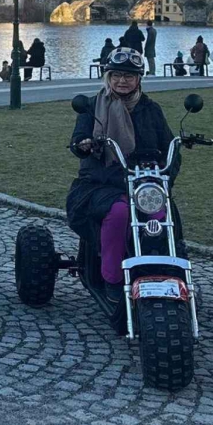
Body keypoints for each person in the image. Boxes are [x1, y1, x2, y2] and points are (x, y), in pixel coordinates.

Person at [66, 48, 178, 287]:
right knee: (119, 213)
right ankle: (112, 279)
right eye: (116, 75)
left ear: (138, 79)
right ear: (108, 77)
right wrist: (83, 144)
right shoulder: (92, 106)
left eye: (128, 76)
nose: (122, 81)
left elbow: (169, 147)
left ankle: (166, 272)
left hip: (143, 184)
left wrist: (164, 179)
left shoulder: (151, 109)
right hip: (100, 183)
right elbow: (77, 141)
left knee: (159, 215)